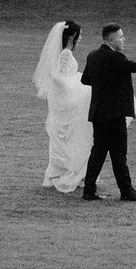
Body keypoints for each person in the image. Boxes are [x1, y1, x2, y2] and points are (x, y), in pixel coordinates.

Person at [77, 22, 136, 203]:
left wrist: (105, 85)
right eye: (121, 36)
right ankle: (126, 191)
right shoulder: (116, 58)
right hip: (114, 114)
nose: (124, 39)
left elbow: (85, 79)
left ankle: (89, 191)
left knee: (98, 152)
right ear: (111, 40)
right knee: (119, 154)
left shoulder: (93, 56)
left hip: (99, 113)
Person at [31, 19, 90, 193]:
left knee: (65, 135)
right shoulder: (65, 54)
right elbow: (57, 76)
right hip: (66, 100)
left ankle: (63, 171)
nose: (81, 38)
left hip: (64, 99)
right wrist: (77, 85)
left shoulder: (63, 53)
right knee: (69, 134)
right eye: (79, 35)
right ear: (72, 35)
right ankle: (67, 171)